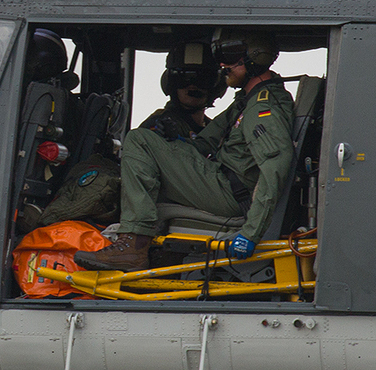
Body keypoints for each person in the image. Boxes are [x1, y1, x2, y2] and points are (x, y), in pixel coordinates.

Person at [74, 29, 295, 272]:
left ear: (256, 56)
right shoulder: (246, 102)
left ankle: (133, 246)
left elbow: (276, 165)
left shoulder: (263, 107)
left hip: (230, 193)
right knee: (147, 142)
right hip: (225, 183)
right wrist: (173, 141)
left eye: (230, 56)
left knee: (138, 139)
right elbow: (202, 144)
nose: (223, 64)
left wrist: (251, 233)